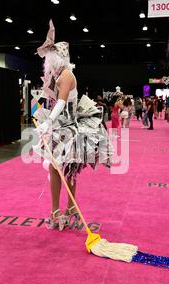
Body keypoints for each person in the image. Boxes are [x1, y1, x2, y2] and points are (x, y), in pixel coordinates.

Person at [34, 20, 112, 230]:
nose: (47, 62)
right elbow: (47, 98)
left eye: (50, 58)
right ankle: (59, 210)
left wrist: (48, 121)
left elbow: (61, 101)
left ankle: (67, 209)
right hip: (59, 127)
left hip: (69, 128)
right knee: (58, 168)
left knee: (69, 169)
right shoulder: (55, 75)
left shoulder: (67, 75)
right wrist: (39, 113)